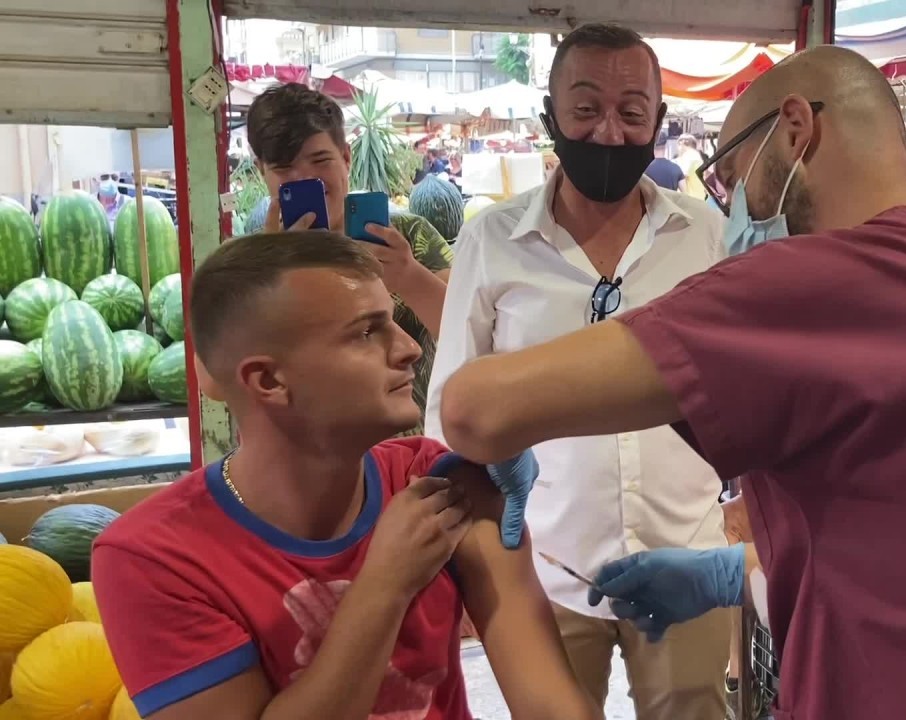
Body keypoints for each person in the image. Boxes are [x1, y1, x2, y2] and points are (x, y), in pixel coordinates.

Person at [435, 44, 906, 719]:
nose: (733, 208)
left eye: (732, 177)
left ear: (795, 131)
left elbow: (473, 408)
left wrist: (503, 444)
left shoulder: (821, 280)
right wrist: (730, 573)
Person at [91, 231, 598, 720]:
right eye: (367, 332)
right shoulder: (153, 558)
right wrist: (385, 585)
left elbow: (551, 704)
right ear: (268, 380)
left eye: (393, 322)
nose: (410, 348)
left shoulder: (437, 481)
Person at [424, 23, 730, 720]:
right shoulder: (492, 241)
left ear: (658, 120)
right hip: (544, 567)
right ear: (550, 117)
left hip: (686, 552)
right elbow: (450, 408)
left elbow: (742, 388)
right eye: (586, 109)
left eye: (632, 112)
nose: (609, 133)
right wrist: (472, 553)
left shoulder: (706, 237)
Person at [247, 83, 453, 432]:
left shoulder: (410, 236)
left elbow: (468, 334)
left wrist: (409, 276)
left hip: (413, 447)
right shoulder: (251, 261)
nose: (305, 178)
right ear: (260, 171)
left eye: (320, 160)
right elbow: (217, 380)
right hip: (308, 449)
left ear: (346, 157)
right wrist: (271, 283)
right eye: (283, 167)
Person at [676, 133, 708, 200]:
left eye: (678, 145)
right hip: (699, 197)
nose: (678, 149)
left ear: (682, 143)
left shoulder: (688, 156)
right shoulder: (697, 157)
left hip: (690, 198)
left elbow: (681, 176)